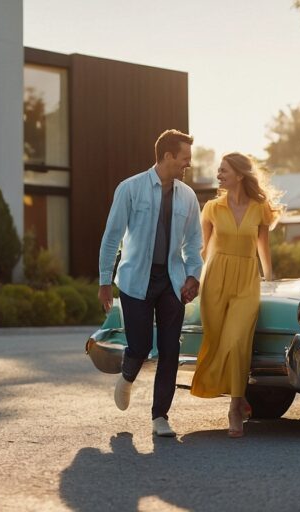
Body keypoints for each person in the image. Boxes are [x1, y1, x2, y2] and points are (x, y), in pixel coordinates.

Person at [98, 129, 203, 437]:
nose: (188, 165)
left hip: (172, 280)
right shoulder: (130, 189)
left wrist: (193, 276)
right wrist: (105, 281)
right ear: (168, 156)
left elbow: (194, 242)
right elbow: (112, 237)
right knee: (141, 346)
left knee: (170, 349)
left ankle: (160, 417)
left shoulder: (188, 196)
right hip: (135, 279)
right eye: (184, 159)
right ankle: (128, 376)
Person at [190, 152, 282, 438]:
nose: (218, 174)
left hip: (246, 280)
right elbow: (203, 250)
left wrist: (269, 278)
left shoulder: (260, 208)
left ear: (240, 175)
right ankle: (240, 398)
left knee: (237, 341)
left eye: (224, 170)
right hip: (215, 278)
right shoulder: (212, 209)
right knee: (217, 340)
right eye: (219, 170)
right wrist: (191, 278)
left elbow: (263, 246)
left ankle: (233, 409)